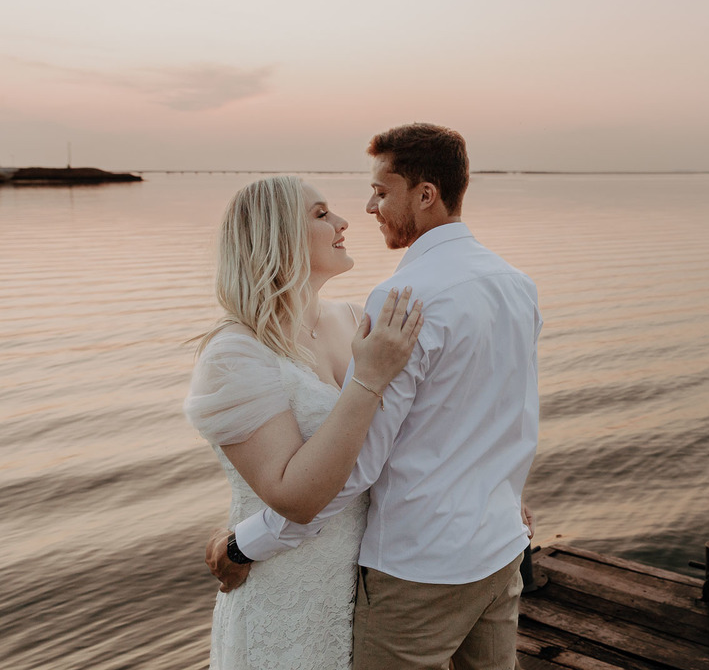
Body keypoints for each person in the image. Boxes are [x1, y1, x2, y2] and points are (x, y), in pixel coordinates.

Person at [209, 123, 542, 670]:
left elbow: (357, 467)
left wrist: (247, 544)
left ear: (426, 195)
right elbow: (514, 419)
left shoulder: (401, 298)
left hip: (419, 571)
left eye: (382, 192)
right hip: (500, 551)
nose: (367, 208)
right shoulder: (515, 283)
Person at [184, 175, 425, 670]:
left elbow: (409, 437)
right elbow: (295, 497)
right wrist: (369, 379)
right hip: (287, 591)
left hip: (371, 584)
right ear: (277, 237)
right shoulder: (235, 353)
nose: (343, 222)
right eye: (321, 215)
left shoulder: (355, 317)